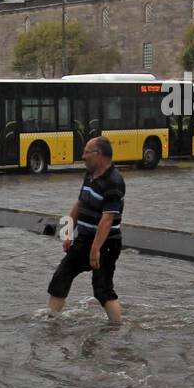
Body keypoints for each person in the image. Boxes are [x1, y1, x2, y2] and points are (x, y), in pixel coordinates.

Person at [47, 136, 124, 324]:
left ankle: (117, 327)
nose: (83, 157)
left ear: (98, 155)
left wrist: (95, 249)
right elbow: (79, 203)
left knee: (102, 289)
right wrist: (67, 233)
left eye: (86, 153)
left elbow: (107, 220)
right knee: (61, 275)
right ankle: (50, 321)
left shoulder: (114, 181)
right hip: (85, 239)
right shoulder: (89, 175)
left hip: (105, 244)